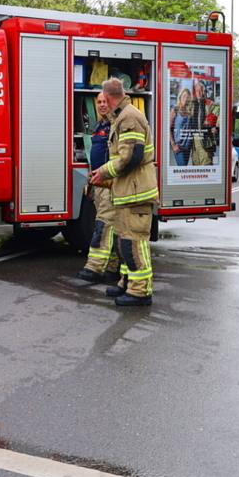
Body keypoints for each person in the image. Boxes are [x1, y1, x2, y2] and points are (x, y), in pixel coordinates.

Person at [89, 78, 160, 307]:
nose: (102, 104)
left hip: (136, 193)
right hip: (127, 192)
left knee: (134, 243)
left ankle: (140, 292)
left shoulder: (129, 117)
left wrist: (104, 172)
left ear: (108, 98)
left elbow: (131, 157)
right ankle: (127, 284)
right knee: (123, 243)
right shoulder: (121, 116)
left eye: (103, 99)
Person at [76, 92, 121, 284]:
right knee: (112, 228)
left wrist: (106, 176)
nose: (102, 105)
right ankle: (112, 268)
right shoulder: (99, 125)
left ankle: (94, 268)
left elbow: (121, 156)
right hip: (99, 183)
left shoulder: (116, 125)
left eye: (106, 101)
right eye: (99, 102)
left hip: (110, 185)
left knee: (103, 226)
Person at [190, 81, 220, 166]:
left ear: (204, 91)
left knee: (206, 164)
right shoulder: (193, 105)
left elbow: (221, 113)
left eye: (201, 90)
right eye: (197, 91)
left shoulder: (210, 104)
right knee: (196, 165)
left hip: (206, 139)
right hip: (194, 142)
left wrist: (217, 127)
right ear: (195, 92)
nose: (199, 93)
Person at [169, 87, 193, 166]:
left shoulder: (190, 111)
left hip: (187, 146)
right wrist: (173, 144)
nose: (185, 98)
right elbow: (168, 128)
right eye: (184, 96)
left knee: (184, 170)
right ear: (180, 96)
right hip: (178, 146)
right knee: (182, 168)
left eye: (187, 97)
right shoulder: (175, 109)